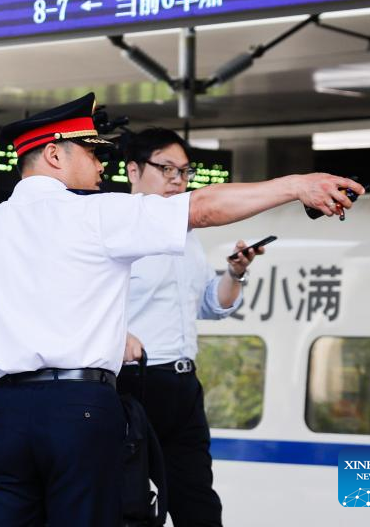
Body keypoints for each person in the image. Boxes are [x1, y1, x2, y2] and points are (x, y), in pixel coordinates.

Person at [0, 93, 364, 527]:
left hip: (4, 414)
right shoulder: (98, 215)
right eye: (91, 153)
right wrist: (296, 185)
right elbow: (203, 208)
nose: (101, 164)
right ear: (54, 155)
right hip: (81, 410)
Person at [120, 128, 261, 527]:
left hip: (183, 385)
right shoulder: (115, 232)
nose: (177, 179)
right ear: (133, 170)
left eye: (184, 171)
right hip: (131, 384)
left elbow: (210, 306)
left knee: (198, 503)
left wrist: (234, 273)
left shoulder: (188, 235)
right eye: (165, 168)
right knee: (130, 506)